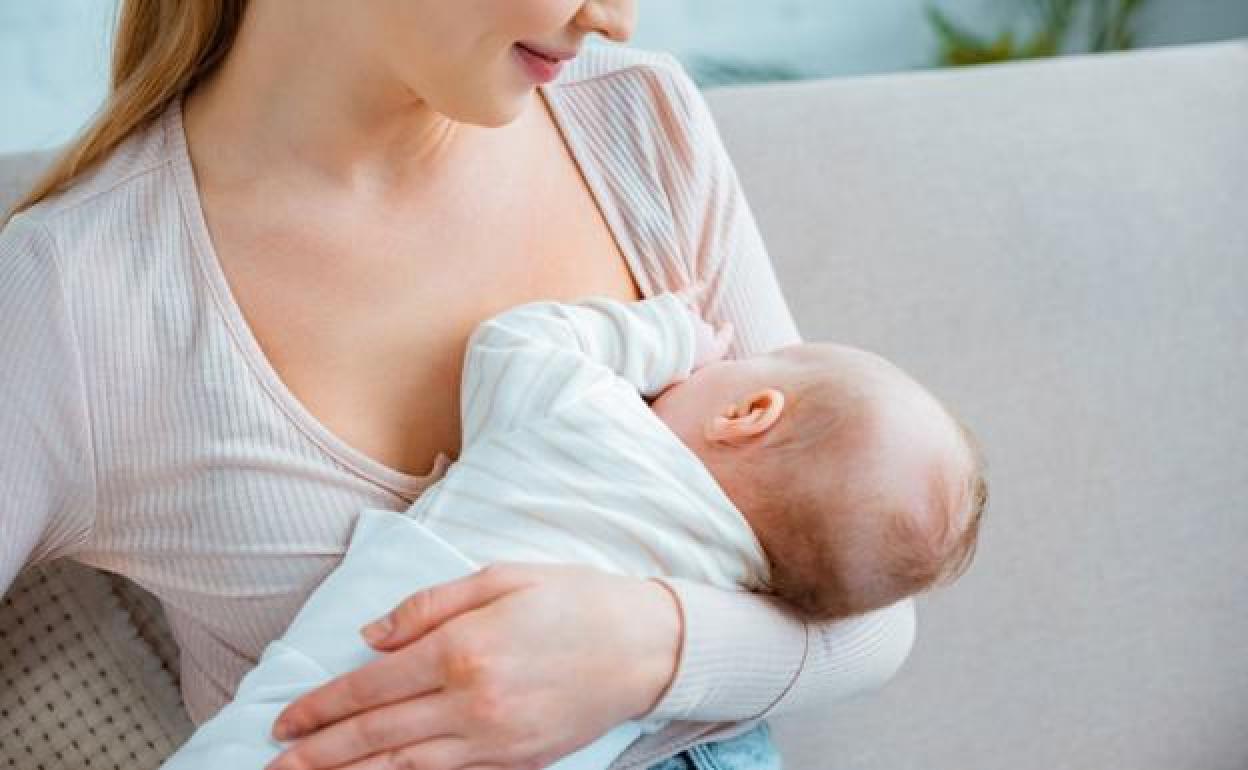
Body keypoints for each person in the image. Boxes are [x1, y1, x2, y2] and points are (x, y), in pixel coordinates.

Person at [0, 2, 920, 769]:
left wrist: (637, 648)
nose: (616, 20)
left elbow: (870, 622)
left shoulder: (637, 123)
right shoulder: (78, 298)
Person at [159, 286, 987, 770]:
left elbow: (514, 341)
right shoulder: (738, 591)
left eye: (737, 364)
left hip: (327, 703)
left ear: (747, 411)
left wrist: (671, 333)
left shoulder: (593, 420)